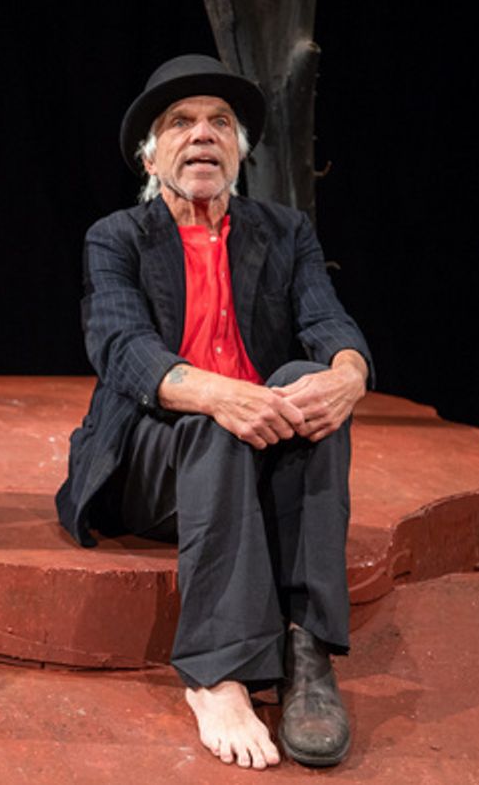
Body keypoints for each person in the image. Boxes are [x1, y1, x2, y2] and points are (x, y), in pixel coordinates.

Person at [56, 54, 372, 770]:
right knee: (213, 422)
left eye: (220, 123)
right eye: (181, 122)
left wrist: (348, 376)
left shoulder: (284, 230)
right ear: (151, 155)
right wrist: (219, 393)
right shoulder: (116, 236)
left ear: (239, 150)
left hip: (255, 439)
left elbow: (327, 320)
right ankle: (217, 673)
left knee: (309, 380)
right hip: (152, 456)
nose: (203, 134)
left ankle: (307, 650)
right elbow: (121, 346)